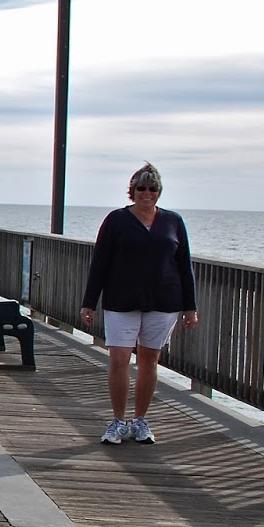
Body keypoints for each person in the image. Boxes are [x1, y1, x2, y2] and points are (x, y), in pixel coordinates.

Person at [80, 162, 199, 445]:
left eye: (152, 188)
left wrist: (190, 307)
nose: (147, 193)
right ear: (132, 192)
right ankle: (118, 421)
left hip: (164, 301)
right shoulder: (116, 220)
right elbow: (100, 263)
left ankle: (141, 420)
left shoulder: (173, 221)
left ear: (158, 192)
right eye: (141, 188)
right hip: (122, 300)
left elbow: (184, 266)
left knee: (149, 360)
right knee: (119, 358)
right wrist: (89, 302)